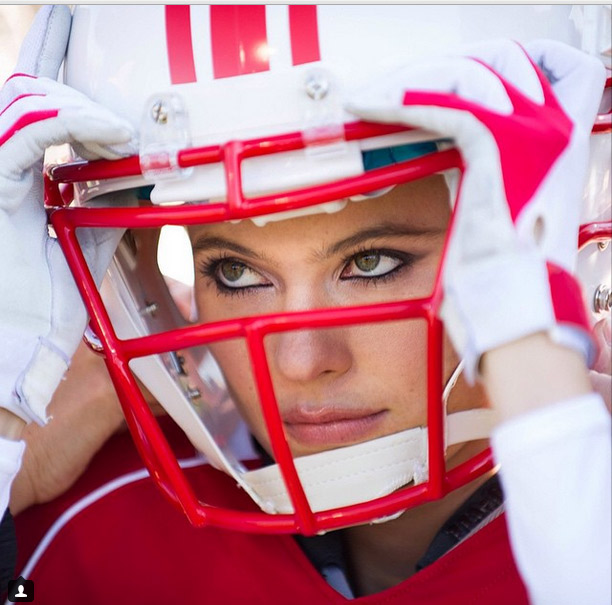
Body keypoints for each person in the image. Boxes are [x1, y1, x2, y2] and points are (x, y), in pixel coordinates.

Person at [1, 5, 610, 604]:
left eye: (373, 263)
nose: (299, 360)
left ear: (552, 220)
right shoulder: (62, 507)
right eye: (235, 272)